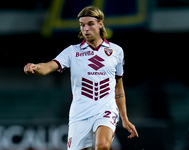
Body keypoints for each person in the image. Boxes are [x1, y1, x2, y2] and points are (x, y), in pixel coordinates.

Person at [24, 6, 138, 150]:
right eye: (82, 25)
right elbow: (48, 67)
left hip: (105, 109)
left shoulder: (116, 51)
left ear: (100, 24)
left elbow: (118, 87)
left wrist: (125, 119)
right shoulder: (72, 51)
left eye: (90, 23)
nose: (86, 29)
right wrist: (35, 67)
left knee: (102, 146)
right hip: (80, 113)